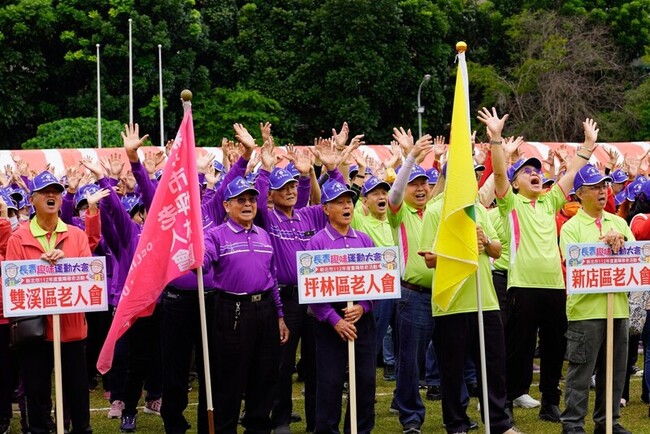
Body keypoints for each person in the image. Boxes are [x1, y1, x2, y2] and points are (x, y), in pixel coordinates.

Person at [478, 107, 599, 424]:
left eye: (537, 170)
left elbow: (571, 173)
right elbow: (500, 175)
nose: (534, 173)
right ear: (516, 183)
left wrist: (587, 146)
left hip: (555, 287)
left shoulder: (550, 201)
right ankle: (504, 402)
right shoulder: (510, 202)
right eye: (526, 171)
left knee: (554, 348)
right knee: (517, 349)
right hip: (523, 287)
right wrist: (495, 139)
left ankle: (550, 401)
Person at [419, 182, 517, 434]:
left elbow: (497, 249)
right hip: (451, 304)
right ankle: (456, 424)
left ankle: (498, 422)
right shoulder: (435, 211)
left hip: (486, 301)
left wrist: (484, 239)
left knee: (494, 367)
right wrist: (463, 245)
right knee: (452, 371)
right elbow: (430, 259)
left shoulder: (479, 210)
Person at [6, 171, 93, 434]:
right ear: (32, 199)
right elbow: (13, 286)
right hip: (36, 334)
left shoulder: (77, 236)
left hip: (72, 330)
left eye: (56, 190)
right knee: (36, 392)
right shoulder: (18, 238)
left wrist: (65, 264)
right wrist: (40, 270)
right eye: (45, 192)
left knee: (78, 393)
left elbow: (91, 278)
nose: (51, 195)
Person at [202, 176, 289, 434]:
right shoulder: (215, 235)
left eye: (252, 199)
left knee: (264, 378)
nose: (248, 204)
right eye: (241, 200)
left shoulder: (263, 234)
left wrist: (280, 316)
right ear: (227, 205)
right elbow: (204, 260)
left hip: (265, 310)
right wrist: (197, 256)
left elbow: (271, 278)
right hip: (232, 311)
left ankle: (258, 428)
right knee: (230, 380)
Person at [559, 164, 633, 434]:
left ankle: (608, 422)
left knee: (614, 371)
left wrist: (621, 237)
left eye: (604, 186)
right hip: (586, 312)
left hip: (618, 309)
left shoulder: (620, 222)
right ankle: (572, 424)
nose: (603, 191)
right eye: (595, 187)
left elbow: (636, 257)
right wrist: (604, 245)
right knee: (580, 371)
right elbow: (573, 260)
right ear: (580, 194)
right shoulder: (571, 227)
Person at [306, 179, 376, 434]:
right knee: (330, 381)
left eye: (349, 201)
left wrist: (364, 306)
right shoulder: (317, 243)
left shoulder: (366, 241)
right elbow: (311, 287)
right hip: (329, 320)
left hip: (361, 318)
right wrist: (334, 319)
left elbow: (377, 281)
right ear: (325, 208)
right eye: (339, 202)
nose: (347, 206)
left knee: (366, 379)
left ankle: (360, 429)